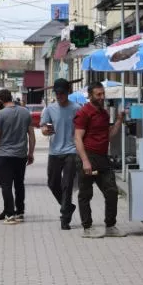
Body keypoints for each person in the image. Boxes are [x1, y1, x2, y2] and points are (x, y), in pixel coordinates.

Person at [74, 82, 127, 239]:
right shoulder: (84, 113)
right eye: (98, 94)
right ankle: (87, 228)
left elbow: (109, 136)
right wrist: (85, 161)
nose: (102, 97)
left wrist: (118, 120)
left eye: (103, 94)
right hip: (88, 156)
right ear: (90, 96)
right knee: (85, 193)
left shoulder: (104, 114)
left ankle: (110, 226)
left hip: (103, 158)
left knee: (111, 191)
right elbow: (77, 138)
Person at [0, 89, 35, 225]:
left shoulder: (1, 114)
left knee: (6, 185)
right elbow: (31, 135)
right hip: (21, 154)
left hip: (6, 155)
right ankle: (20, 212)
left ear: (0, 100)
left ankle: (10, 214)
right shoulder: (25, 112)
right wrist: (30, 153)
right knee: (19, 184)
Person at [41, 79, 81, 230]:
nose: (59, 95)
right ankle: (68, 206)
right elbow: (44, 127)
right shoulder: (50, 109)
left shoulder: (77, 108)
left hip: (71, 151)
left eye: (62, 93)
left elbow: (81, 128)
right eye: (57, 93)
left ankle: (65, 218)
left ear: (68, 92)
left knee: (67, 185)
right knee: (52, 183)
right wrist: (45, 130)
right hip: (55, 151)